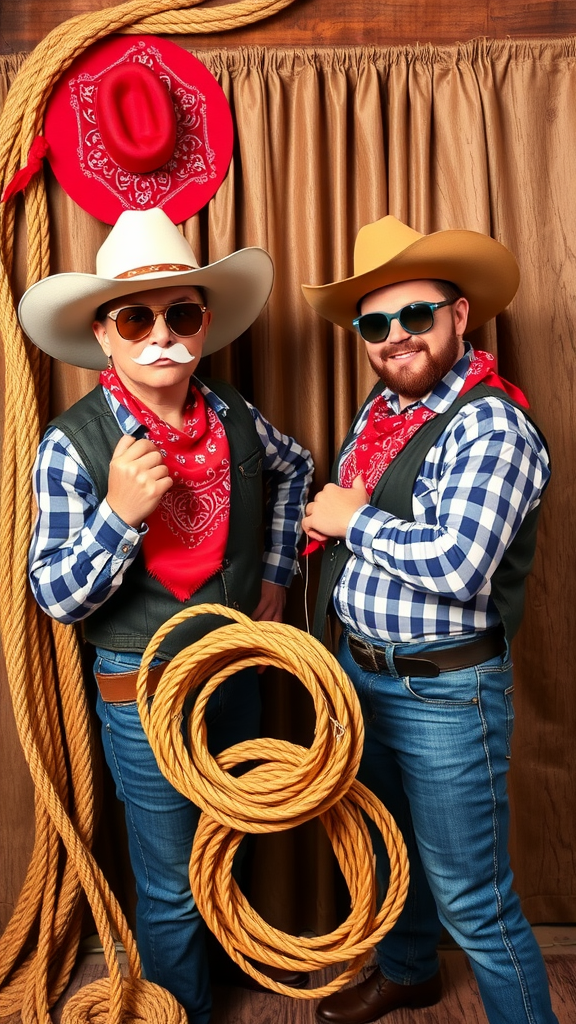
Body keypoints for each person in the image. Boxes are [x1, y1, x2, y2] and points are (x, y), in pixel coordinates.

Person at [22, 207, 313, 1023]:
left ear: (205, 324)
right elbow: (53, 596)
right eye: (137, 317)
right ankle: (180, 1013)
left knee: (233, 841)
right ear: (104, 336)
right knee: (171, 884)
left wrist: (277, 572)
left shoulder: (235, 417)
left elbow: (297, 470)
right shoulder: (70, 445)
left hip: (235, 672)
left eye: (181, 313)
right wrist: (117, 514)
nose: (162, 334)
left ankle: (219, 987)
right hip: (142, 696)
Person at [300, 215, 557, 1024]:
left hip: (446, 693)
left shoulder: (491, 424)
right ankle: (408, 971)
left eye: (416, 315)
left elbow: (457, 564)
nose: (395, 337)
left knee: (474, 898)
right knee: (388, 855)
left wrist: (351, 521)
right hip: (362, 675)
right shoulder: (380, 418)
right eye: (375, 324)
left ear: (460, 315)